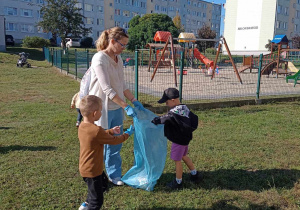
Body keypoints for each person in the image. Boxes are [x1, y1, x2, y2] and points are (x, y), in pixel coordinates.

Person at [88, 27, 144, 186]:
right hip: (101, 109)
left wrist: (134, 100)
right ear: (112, 41)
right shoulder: (99, 59)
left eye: (126, 45)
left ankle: (114, 175)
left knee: (115, 142)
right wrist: (126, 106)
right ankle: (96, 175)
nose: (124, 48)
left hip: (116, 108)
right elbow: (106, 88)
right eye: (122, 44)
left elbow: (121, 85)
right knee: (100, 143)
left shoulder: (118, 60)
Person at [78, 95, 134, 210]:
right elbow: (115, 141)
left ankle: (86, 204)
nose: (101, 113)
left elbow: (98, 136)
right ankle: (90, 205)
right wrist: (127, 134)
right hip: (93, 170)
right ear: (94, 113)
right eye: (100, 110)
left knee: (102, 185)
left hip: (86, 168)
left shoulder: (83, 126)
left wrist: (111, 131)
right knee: (97, 201)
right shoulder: (96, 130)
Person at [151, 88, 202, 190]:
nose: (166, 104)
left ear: (173, 100)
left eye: (166, 102)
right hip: (185, 140)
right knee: (184, 156)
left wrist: (156, 120)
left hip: (178, 142)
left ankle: (178, 182)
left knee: (177, 160)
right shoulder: (184, 108)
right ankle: (194, 174)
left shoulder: (174, 112)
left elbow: (166, 118)